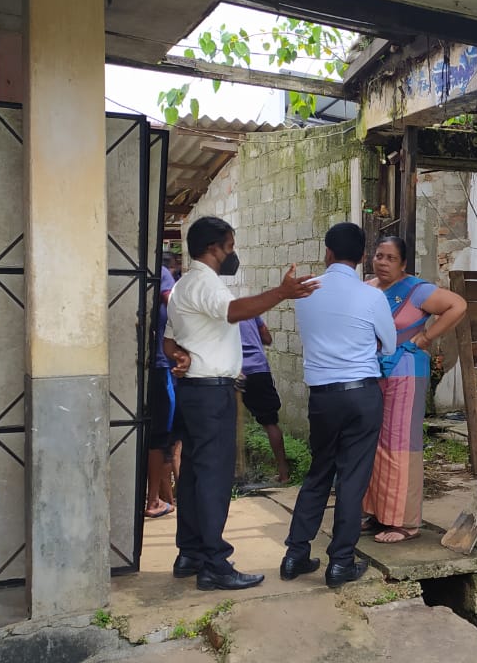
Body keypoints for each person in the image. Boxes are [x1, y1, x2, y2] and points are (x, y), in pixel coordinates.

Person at [164, 216, 317, 592]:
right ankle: (215, 562)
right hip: (212, 392)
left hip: (195, 391)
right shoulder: (204, 282)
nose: (232, 254)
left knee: (196, 477)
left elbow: (169, 338)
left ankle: (191, 552)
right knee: (213, 478)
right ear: (214, 248)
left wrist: (176, 355)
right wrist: (281, 292)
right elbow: (236, 311)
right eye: (230, 247)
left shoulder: (184, 285)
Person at [282, 222, 396, 588]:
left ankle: (295, 554)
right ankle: (340, 563)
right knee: (352, 479)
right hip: (362, 394)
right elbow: (390, 345)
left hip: (323, 398)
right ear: (363, 256)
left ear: (327, 252)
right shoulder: (371, 296)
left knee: (319, 472)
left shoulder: (307, 291)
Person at [361, 236, 467, 543]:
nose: (382, 262)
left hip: (406, 373)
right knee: (374, 442)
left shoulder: (416, 290)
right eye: (379, 255)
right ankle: (377, 512)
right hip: (374, 372)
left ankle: (404, 522)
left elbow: (457, 306)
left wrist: (425, 339)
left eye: (390, 258)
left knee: (400, 444)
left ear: (403, 263)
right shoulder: (368, 289)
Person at [238, 316, 292, 484]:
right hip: (259, 370)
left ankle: (231, 475)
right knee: (270, 422)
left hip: (234, 372)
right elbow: (268, 338)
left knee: (228, 423)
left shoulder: (220, 311)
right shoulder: (251, 314)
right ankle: (284, 473)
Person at [145, 254, 179, 518]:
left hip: (146, 365)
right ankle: (154, 500)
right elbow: (174, 304)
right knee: (164, 437)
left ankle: (168, 497)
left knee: (160, 436)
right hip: (161, 364)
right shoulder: (162, 272)